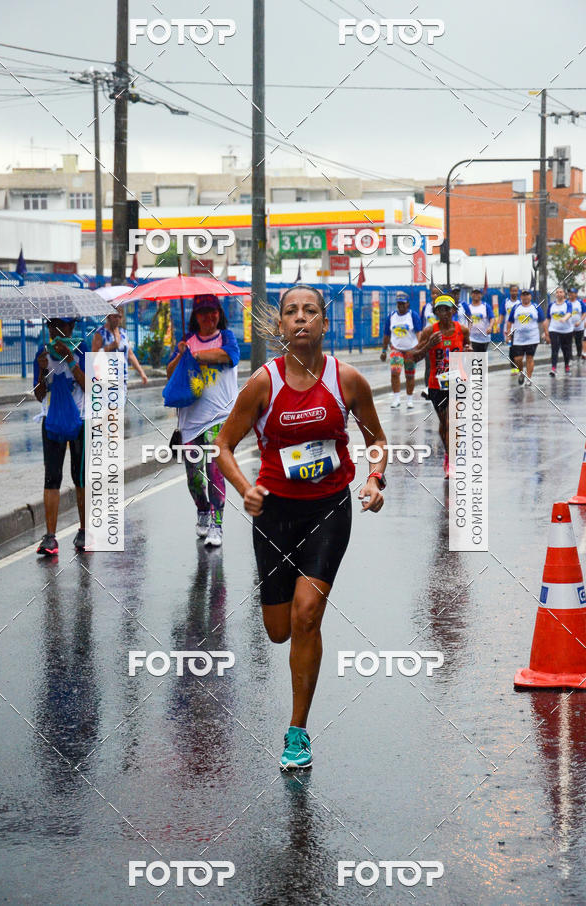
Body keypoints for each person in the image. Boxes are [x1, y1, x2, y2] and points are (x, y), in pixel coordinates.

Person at [216, 284, 387, 770]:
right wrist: (245, 487)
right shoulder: (262, 384)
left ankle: (297, 732)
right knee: (278, 630)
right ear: (282, 327)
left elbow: (377, 441)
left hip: (329, 509)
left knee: (307, 614)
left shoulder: (347, 380)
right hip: (273, 513)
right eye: (292, 311)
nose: (301, 318)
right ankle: (286, 626)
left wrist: (374, 479)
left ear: (323, 324)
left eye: (310, 310)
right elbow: (224, 445)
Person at [166, 294, 240, 547]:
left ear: (219, 313)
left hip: (220, 418)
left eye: (213, 311)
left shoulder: (226, 337)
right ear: (195, 317)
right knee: (194, 477)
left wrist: (195, 357)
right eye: (203, 312)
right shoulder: (187, 342)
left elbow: (229, 356)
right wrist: (181, 355)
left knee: (215, 472)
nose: (209, 316)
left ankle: (217, 525)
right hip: (190, 421)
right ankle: (202, 509)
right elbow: (169, 372)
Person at [33, 318, 87, 556]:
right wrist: (43, 370)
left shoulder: (83, 349)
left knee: (81, 477)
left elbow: (92, 387)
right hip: (52, 421)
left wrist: (70, 360)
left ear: (71, 328)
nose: (55, 331)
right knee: (51, 477)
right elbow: (38, 394)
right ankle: (50, 537)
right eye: (51, 326)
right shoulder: (42, 352)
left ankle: (85, 530)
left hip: (80, 421)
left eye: (60, 326)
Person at [411, 295, 470, 478]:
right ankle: (447, 454)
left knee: (451, 422)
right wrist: (428, 345)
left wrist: (470, 351)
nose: (444, 313)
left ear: (453, 310)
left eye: (447, 309)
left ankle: (451, 462)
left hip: (457, 382)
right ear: (435, 312)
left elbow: (469, 349)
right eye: (440, 310)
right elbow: (414, 356)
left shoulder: (462, 330)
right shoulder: (431, 331)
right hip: (436, 384)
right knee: (443, 423)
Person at [380, 290, 422, 409]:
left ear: (408, 304)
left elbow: (419, 333)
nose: (401, 306)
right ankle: (396, 398)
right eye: (399, 304)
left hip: (410, 349)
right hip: (396, 348)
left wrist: (419, 348)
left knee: (409, 375)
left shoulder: (412, 315)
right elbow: (386, 335)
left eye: (403, 304)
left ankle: (409, 399)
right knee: (395, 372)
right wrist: (383, 351)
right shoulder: (391, 316)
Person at [91, 310, 148, 393]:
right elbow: (94, 355)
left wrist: (141, 373)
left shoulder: (123, 333)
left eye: (120, 317)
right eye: (115, 316)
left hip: (122, 378)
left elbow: (130, 355)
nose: (117, 319)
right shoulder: (100, 333)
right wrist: (110, 347)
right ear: (108, 316)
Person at [506, 289, 545, 385]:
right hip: (518, 338)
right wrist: (508, 334)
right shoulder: (516, 307)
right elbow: (510, 321)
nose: (525, 297)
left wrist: (545, 333)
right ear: (521, 297)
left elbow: (542, 321)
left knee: (529, 358)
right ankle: (521, 372)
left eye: (527, 295)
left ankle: (529, 378)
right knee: (517, 359)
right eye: (523, 295)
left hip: (533, 337)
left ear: (530, 297)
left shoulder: (535, 307)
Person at [544, 287, 573, 376]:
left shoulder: (568, 304)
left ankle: (567, 365)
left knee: (566, 350)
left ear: (564, 294)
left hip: (567, 331)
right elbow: (548, 319)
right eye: (557, 292)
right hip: (554, 330)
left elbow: (569, 313)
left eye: (561, 292)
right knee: (554, 349)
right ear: (555, 294)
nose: (559, 294)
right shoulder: (551, 305)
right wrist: (546, 332)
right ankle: (553, 368)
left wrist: (564, 318)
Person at [420, 285, 441, 399]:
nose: (434, 295)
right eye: (433, 293)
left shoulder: (443, 307)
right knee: (429, 366)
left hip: (440, 340)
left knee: (440, 365)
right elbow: (422, 323)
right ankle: (428, 389)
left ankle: (440, 389)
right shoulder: (426, 307)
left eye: (437, 293)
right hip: (429, 341)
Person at [500, 284, 520, 373]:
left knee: (517, 348)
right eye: (512, 291)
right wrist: (497, 325)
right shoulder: (506, 302)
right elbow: (502, 315)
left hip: (518, 328)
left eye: (516, 291)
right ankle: (513, 367)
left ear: (518, 291)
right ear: (510, 291)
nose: (514, 292)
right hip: (508, 328)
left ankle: (518, 365)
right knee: (511, 348)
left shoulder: (520, 302)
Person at [568, 287, 586, 361]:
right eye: (570, 293)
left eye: (572, 293)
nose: (570, 294)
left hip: (579, 327)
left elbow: (584, 313)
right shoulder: (566, 302)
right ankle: (569, 358)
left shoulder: (580, 302)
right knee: (568, 343)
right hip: (568, 327)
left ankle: (579, 355)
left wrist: (580, 321)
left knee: (578, 343)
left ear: (576, 294)